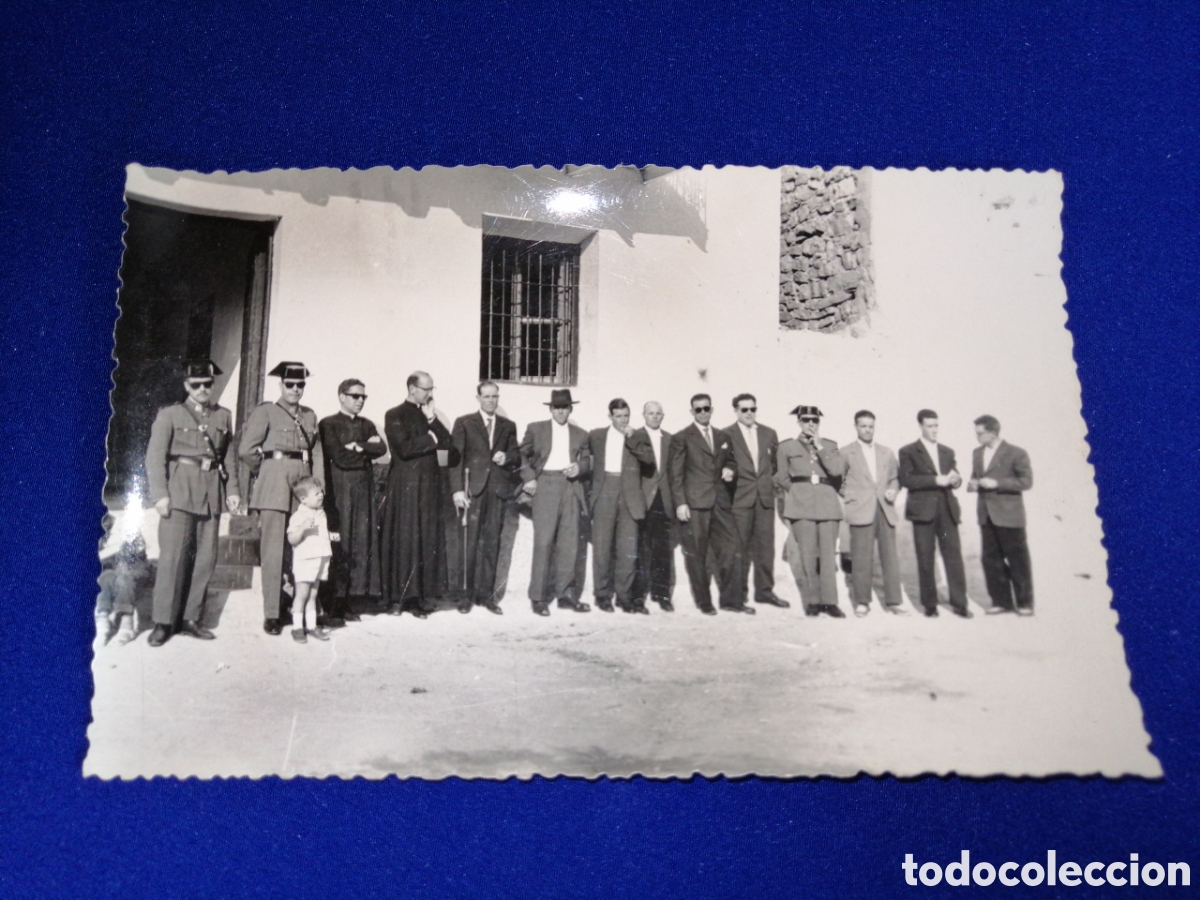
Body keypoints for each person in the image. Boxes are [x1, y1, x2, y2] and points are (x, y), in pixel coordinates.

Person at [145, 359, 241, 646]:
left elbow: (229, 458)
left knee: (205, 559)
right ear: (186, 386)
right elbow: (155, 457)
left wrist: (233, 491)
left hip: (211, 492)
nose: (202, 389)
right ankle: (164, 621)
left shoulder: (223, 416)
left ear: (213, 385)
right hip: (179, 491)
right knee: (172, 558)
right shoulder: (170, 415)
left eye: (207, 384)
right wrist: (159, 494)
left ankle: (190, 618)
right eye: (195, 385)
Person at [239, 361, 323, 636]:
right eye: (290, 384)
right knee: (274, 551)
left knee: (301, 547)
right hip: (274, 483)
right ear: (281, 385)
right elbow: (247, 450)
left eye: (300, 385)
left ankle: (297, 605)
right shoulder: (266, 412)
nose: (295, 389)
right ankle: (272, 613)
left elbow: (316, 452)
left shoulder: (310, 415)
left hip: (302, 487)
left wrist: (317, 485)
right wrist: (265, 473)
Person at [380, 371, 456, 618]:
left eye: (432, 389)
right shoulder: (394, 414)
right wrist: (431, 438)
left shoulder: (430, 415)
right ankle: (396, 599)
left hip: (429, 487)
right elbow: (403, 448)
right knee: (403, 540)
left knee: (425, 540)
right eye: (426, 389)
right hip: (405, 486)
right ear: (412, 388)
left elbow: (449, 445)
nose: (430, 394)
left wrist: (432, 420)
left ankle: (419, 599)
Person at [666, 393, 744, 614]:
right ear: (692, 412)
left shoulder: (721, 436)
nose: (702, 412)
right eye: (698, 409)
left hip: (720, 502)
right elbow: (676, 474)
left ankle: (731, 600)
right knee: (696, 555)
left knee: (731, 548)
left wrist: (731, 470)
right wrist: (680, 503)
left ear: (711, 409)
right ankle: (704, 602)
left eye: (706, 408)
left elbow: (731, 460)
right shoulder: (682, 437)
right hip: (695, 504)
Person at [318, 379, 387, 624]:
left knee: (361, 540)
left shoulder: (367, 424)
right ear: (342, 397)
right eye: (355, 396)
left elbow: (383, 449)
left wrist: (358, 446)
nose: (360, 401)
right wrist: (366, 452)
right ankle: (334, 602)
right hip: (341, 490)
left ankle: (351, 599)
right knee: (342, 542)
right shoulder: (328, 424)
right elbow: (339, 457)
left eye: (363, 397)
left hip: (363, 490)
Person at [518, 389, 592, 616]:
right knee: (544, 542)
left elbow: (588, 460)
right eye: (557, 407)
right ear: (551, 409)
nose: (561, 411)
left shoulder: (581, 433)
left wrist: (580, 467)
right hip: (546, 485)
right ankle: (538, 598)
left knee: (569, 543)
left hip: (571, 487)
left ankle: (566, 595)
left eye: (565, 407)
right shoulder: (536, 428)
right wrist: (530, 478)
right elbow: (521, 455)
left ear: (570, 409)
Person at [449, 380, 521, 614]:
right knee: (468, 543)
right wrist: (457, 490)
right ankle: (464, 596)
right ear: (478, 398)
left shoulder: (508, 425)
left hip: (498, 491)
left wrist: (506, 458)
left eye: (495, 397)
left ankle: (487, 597)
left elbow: (516, 456)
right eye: (487, 396)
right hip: (473, 490)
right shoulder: (465, 422)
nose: (491, 401)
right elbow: (454, 459)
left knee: (492, 543)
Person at [898, 409, 972, 618]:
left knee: (954, 557)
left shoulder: (947, 451)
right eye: (930, 426)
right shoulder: (908, 451)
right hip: (922, 512)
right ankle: (930, 604)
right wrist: (935, 480)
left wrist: (957, 479)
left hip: (947, 510)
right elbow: (906, 480)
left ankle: (960, 603)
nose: (934, 430)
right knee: (925, 557)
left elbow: (955, 475)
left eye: (936, 425)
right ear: (921, 426)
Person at [776, 405, 846, 617]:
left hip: (827, 505)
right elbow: (782, 478)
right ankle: (814, 602)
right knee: (808, 555)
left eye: (815, 421)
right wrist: (799, 492)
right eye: (806, 420)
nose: (811, 424)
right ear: (799, 422)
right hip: (801, 506)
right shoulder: (786, 447)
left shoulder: (831, 446)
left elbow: (836, 471)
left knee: (827, 556)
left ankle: (831, 602)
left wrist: (820, 446)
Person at [723, 393, 789, 609]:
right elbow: (724, 466)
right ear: (736, 411)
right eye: (744, 410)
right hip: (740, 500)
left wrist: (774, 489)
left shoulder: (769, 433)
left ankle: (764, 592)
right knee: (739, 549)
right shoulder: (726, 435)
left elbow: (776, 466)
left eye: (753, 409)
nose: (749, 413)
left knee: (765, 548)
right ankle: (737, 597)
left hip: (764, 499)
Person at [587, 399, 651, 614]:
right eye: (618, 416)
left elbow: (649, 460)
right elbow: (584, 460)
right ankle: (602, 595)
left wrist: (632, 439)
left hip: (630, 494)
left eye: (626, 416)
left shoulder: (639, 435)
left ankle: (624, 597)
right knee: (602, 547)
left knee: (628, 550)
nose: (623, 420)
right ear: (610, 416)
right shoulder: (596, 435)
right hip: (606, 488)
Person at [839, 410, 906, 616]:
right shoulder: (845, 452)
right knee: (861, 557)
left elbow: (896, 477)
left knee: (890, 557)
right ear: (856, 427)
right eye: (863, 426)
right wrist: (852, 497)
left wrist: (893, 490)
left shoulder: (886, 452)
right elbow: (837, 482)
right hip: (861, 510)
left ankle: (894, 601)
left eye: (870, 426)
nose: (867, 430)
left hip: (884, 509)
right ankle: (862, 601)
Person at [968, 415, 1034, 615]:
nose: (976, 437)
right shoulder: (977, 453)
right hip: (986, 515)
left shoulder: (1017, 453)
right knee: (991, 560)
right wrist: (972, 484)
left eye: (980, 434)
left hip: (1010, 516)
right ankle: (1001, 602)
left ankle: (1025, 604)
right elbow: (975, 477)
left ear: (993, 433)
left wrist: (998, 484)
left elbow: (1026, 482)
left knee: (1017, 560)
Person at [628, 401, 676, 612]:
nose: (655, 417)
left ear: (662, 416)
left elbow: (674, 472)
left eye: (658, 413)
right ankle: (638, 597)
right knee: (641, 550)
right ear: (644, 415)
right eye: (651, 413)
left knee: (662, 550)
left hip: (663, 502)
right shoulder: (635, 436)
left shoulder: (670, 439)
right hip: (642, 501)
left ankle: (662, 594)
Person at [286, 476, 339, 643]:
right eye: (316, 493)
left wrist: (330, 536)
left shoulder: (320, 512)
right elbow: (292, 539)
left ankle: (311, 625)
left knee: (313, 594)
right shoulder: (298, 516)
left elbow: (320, 534)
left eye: (321, 491)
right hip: (306, 561)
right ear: (303, 499)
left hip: (320, 559)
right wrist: (302, 528)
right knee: (302, 594)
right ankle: (297, 628)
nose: (321, 495)